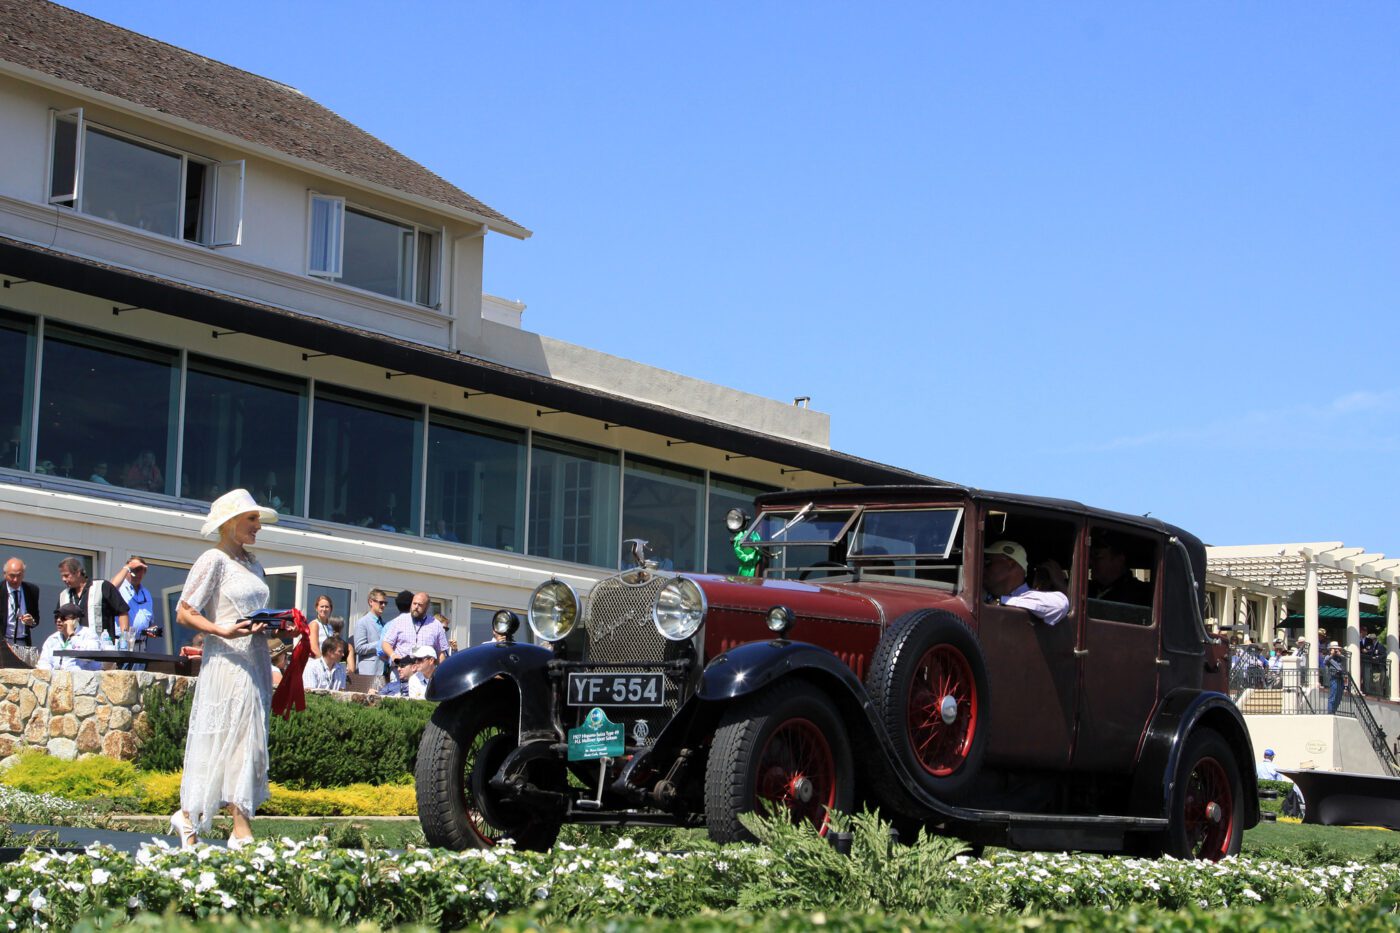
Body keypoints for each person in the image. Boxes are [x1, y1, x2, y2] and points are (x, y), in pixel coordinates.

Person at [169, 488, 279, 850]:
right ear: (231, 522)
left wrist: (279, 628)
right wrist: (220, 629)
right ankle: (239, 826)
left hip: (256, 660)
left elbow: (252, 615)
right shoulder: (212, 560)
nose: (258, 526)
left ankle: (189, 818)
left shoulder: (254, 564)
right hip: (226, 662)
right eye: (252, 519)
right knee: (230, 738)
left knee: (249, 740)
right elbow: (185, 611)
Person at [982, 540, 1069, 626]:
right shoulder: (981, 593)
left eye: (987, 562)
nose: (982, 567)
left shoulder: (1032, 598)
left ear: (1011, 564)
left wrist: (1001, 601)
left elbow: (1060, 606)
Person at [57, 557, 128, 643]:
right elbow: (59, 621)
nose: (63, 579)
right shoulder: (64, 595)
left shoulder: (102, 586)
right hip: (71, 649)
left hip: (100, 649)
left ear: (78, 573)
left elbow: (122, 611)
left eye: (66, 575)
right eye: (62, 576)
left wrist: (125, 640)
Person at [382, 591, 449, 667]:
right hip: (401, 670)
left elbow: (441, 653)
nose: (416, 607)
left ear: (427, 607)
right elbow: (386, 643)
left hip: (424, 673)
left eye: (420, 605)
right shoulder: (399, 621)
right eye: (414, 603)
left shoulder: (436, 625)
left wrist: (439, 670)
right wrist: (393, 655)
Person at [1087, 532, 1153, 605]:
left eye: (1097, 556)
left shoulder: (1139, 594)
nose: (1090, 562)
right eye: (1091, 556)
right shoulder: (1086, 588)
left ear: (1118, 560)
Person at [36, 602, 101, 671]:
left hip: (82, 678)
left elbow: (90, 655)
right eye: (56, 617)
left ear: (75, 620)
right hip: (58, 678)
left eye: (63, 618)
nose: (58, 620)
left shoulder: (88, 634)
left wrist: (72, 636)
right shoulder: (52, 639)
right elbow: (44, 661)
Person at [111, 557, 155, 651]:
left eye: (141, 570)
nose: (138, 573)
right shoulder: (120, 588)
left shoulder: (146, 593)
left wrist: (150, 629)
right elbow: (111, 587)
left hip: (140, 645)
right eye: (135, 569)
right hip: (122, 643)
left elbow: (149, 620)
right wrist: (128, 567)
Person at [352, 589, 390, 685]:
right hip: (369, 672)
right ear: (371, 602)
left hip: (384, 671)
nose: (383, 605)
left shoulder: (384, 624)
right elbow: (359, 648)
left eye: (385, 603)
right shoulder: (362, 622)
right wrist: (380, 644)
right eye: (381, 602)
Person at [3, 558, 40, 648]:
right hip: (3, 641)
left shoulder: (32, 590)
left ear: (23, 575)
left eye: (19, 575)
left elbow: (36, 618)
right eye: (12, 576)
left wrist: (31, 621)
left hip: (23, 642)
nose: (15, 580)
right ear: (5, 575)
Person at [307, 594, 333, 662]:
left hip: (328, 664)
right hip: (316, 664)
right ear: (316, 608)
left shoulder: (330, 627)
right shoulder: (315, 624)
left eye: (327, 607)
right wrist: (324, 664)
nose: (324, 609)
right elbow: (314, 648)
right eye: (322, 606)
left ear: (330, 609)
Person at [1325, 642, 1347, 714]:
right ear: (1330, 649)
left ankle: (1334, 710)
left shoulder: (1339, 658)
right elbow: (1325, 661)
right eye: (1334, 649)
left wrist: (1339, 654)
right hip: (1334, 677)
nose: (1335, 650)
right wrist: (1332, 654)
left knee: (1339, 696)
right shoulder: (1328, 657)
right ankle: (1330, 712)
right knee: (1333, 695)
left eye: (1336, 649)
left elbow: (1345, 659)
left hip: (1340, 678)